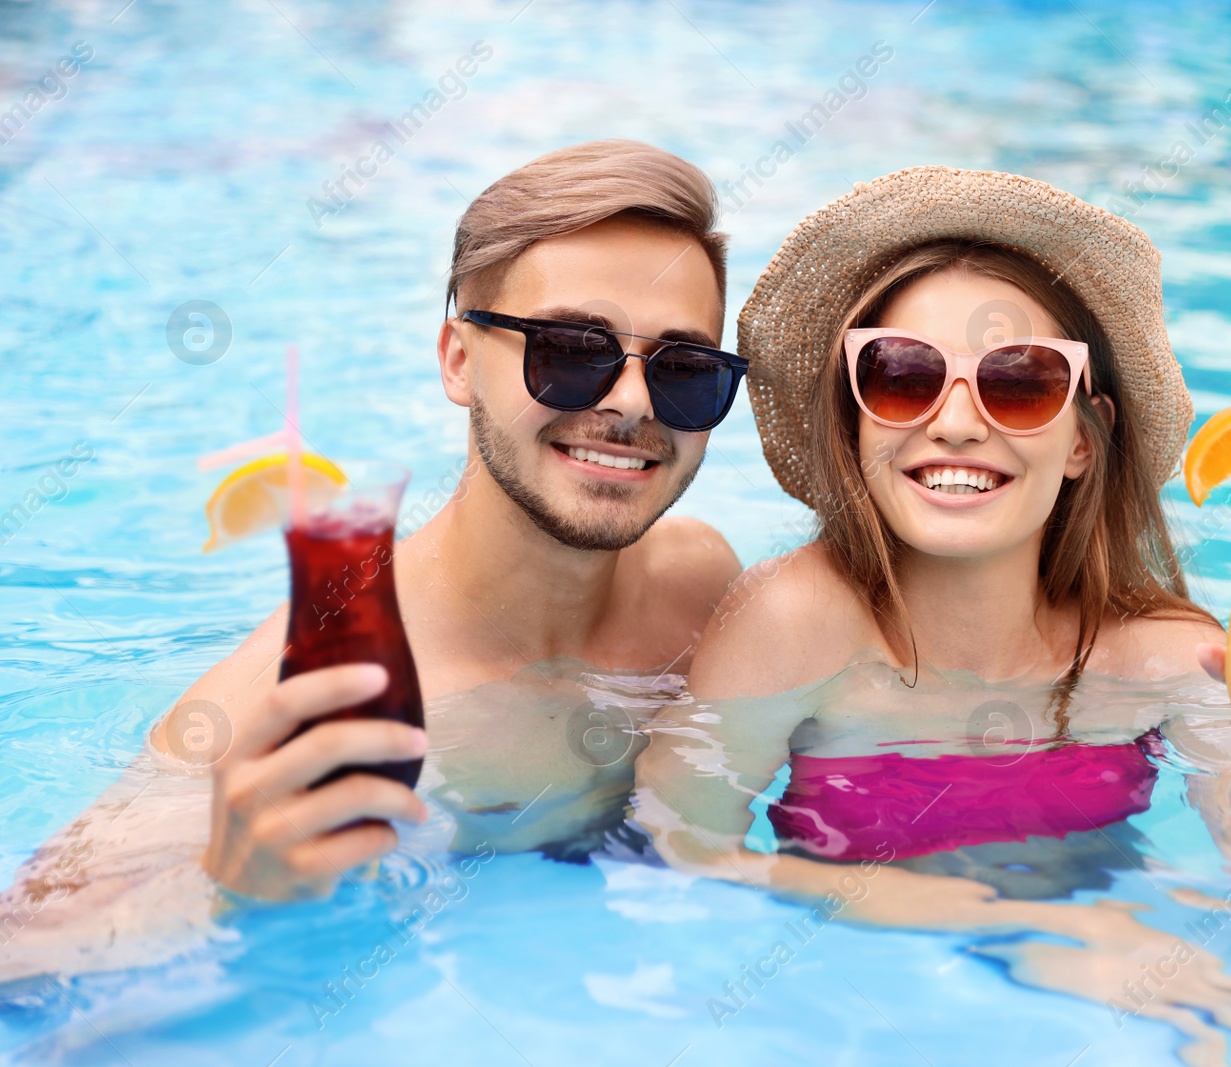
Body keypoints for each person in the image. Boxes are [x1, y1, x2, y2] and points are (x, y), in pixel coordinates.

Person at [635, 166, 1231, 1067]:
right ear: (854, 420)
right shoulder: (797, 622)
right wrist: (1022, 930)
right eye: (901, 374)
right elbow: (672, 857)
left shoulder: (1170, 659)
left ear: (1084, 439)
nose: (956, 424)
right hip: (846, 1016)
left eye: (1019, 382)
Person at [1, 140, 746, 932]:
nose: (633, 402)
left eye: (684, 367)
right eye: (569, 351)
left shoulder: (699, 586)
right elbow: (26, 957)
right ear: (458, 360)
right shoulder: (314, 690)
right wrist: (228, 885)